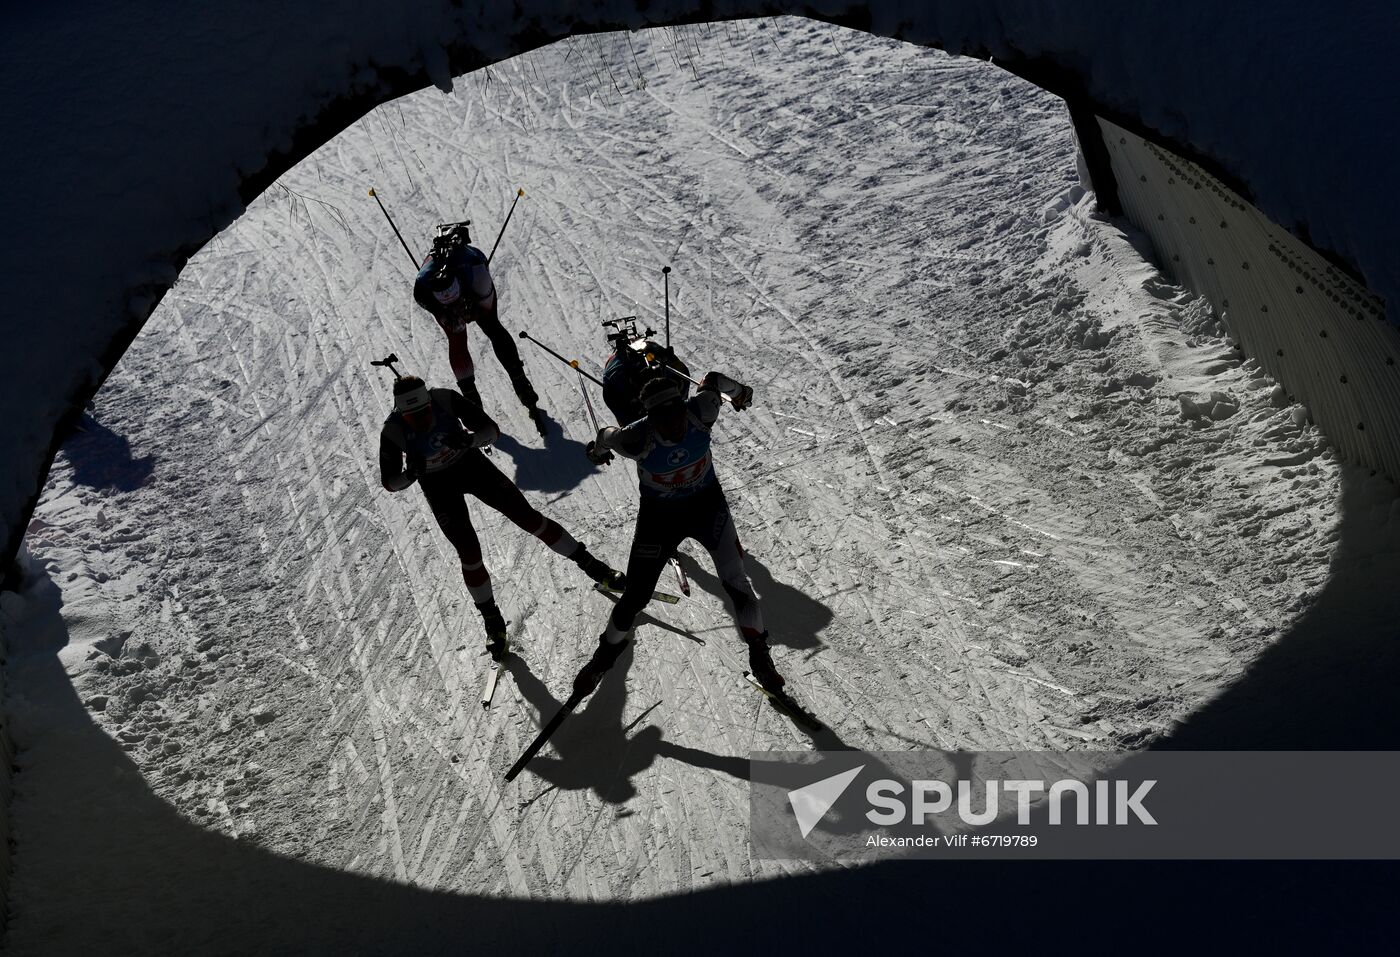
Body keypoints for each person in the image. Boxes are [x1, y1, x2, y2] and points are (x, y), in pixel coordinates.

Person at [379, 374, 624, 658]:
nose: (421, 421)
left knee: (529, 519)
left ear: (429, 403)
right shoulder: (393, 430)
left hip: (471, 466)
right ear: (401, 412)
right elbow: (390, 482)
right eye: (413, 418)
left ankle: (593, 567)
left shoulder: (444, 399)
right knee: (469, 552)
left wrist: (470, 440)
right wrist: (410, 474)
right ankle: (492, 620)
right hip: (438, 485)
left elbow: (492, 431)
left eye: (424, 412)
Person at [573, 372, 784, 696]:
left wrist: (597, 452)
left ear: (683, 407)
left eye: (676, 416)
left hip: (678, 515)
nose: (674, 427)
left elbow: (605, 436)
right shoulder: (679, 420)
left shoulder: (651, 431)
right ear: (650, 418)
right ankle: (602, 659)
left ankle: (759, 656)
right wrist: (741, 393)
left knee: (736, 583)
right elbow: (714, 382)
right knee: (637, 597)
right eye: (664, 421)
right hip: (686, 513)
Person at [413, 223, 545, 431]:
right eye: (451, 305)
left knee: (491, 324)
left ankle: (520, 381)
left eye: (458, 302)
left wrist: (473, 311)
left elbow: (485, 308)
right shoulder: (423, 288)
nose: (457, 309)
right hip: (440, 297)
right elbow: (432, 306)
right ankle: (470, 397)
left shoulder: (477, 274)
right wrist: (448, 314)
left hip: (472, 279)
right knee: (456, 335)